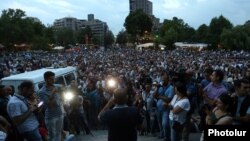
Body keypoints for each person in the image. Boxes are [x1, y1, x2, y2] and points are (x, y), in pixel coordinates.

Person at [38, 71, 64, 141]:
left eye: (54, 79)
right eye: (51, 79)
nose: (53, 81)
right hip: (51, 117)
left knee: (58, 133)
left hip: (59, 113)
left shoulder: (55, 86)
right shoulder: (42, 91)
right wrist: (53, 92)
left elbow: (62, 87)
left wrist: (61, 93)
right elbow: (48, 105)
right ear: (45, 79)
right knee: (52, 136)